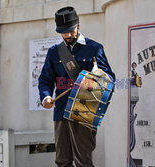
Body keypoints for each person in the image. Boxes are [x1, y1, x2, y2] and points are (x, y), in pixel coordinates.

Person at [38, 6, 115, 167]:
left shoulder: (94, 48)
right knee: (62, 160)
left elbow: (109, 78)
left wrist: (92, 80)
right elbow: (45, 79)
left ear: (78, 26)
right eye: (63, 32)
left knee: (83, 161)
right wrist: (45, 97)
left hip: (84, 112)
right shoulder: (54, 52)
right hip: (61, 112)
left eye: (70, 31)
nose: (67, 35)